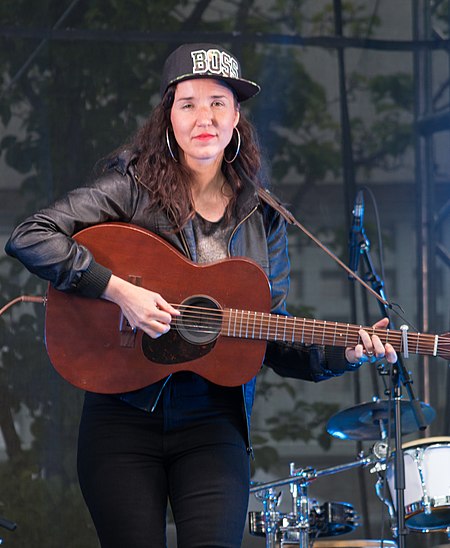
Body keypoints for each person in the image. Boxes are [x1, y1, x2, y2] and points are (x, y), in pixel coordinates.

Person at [5, 43, 397, 548]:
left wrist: (342, 353)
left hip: (215, 421)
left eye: (217, 101)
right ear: (169, 116)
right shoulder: (130, 187)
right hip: (122, 412)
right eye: (188, 102)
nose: (203, 116)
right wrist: (119, 290)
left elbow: (270, 334)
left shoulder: (265, 216)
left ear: (236, 117)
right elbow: (30, 236)